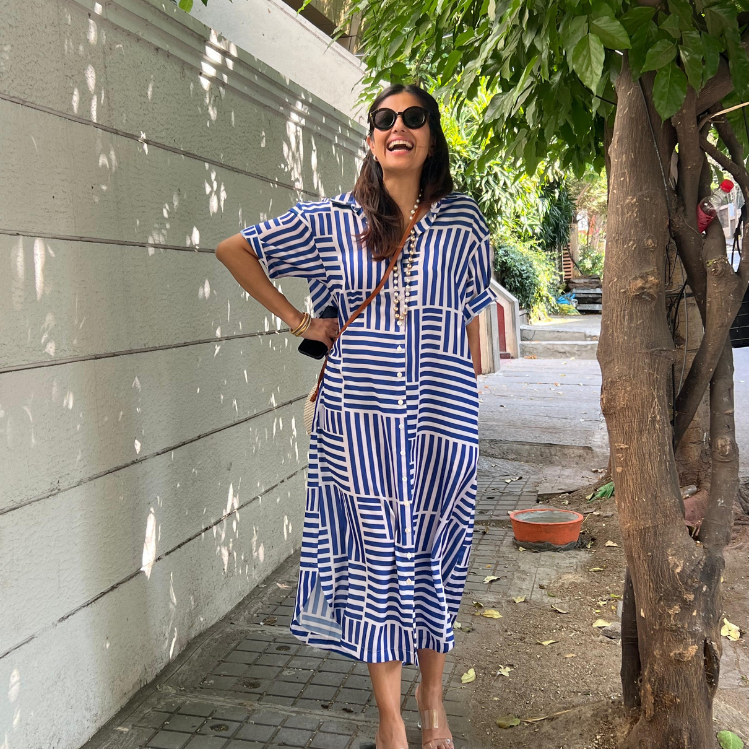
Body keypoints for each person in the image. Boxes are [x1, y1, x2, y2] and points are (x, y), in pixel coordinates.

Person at [216, 83, 498, 749]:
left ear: (431, 135)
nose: (396, 127)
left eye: (411, 117)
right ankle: (390, 717)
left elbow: (470, 315)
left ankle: (433, 704)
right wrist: (299, 319)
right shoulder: (330, 220)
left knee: (434, 551)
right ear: (371, 138)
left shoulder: (463, 222)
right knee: (378, 559)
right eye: (382, 119)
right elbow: (235, 248)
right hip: (357, 421)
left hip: (439, 414)